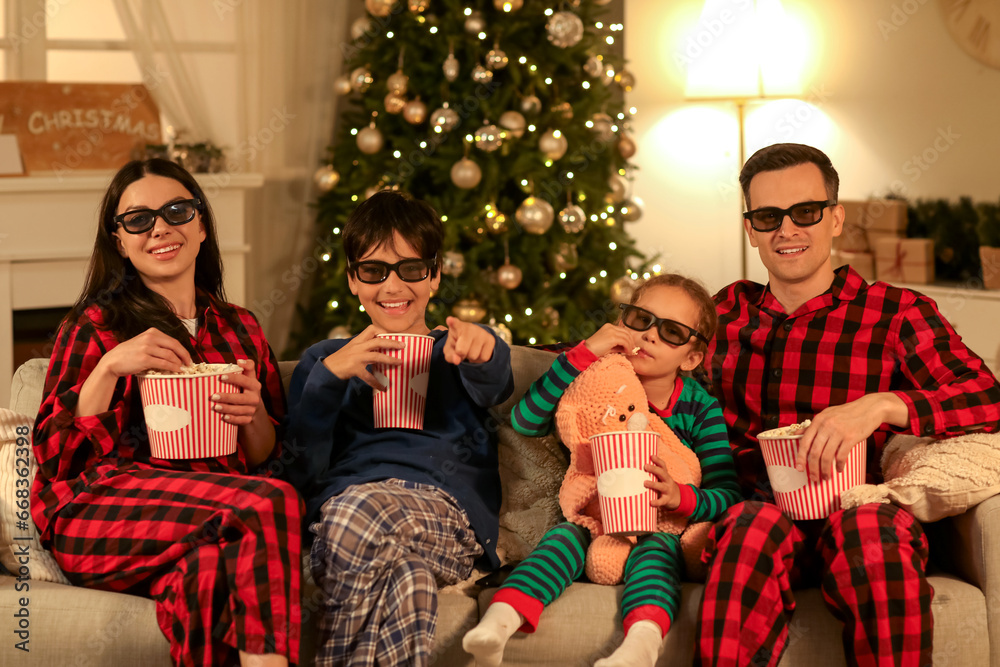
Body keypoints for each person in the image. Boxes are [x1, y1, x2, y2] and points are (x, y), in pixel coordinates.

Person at [698, 142, 1000, 666]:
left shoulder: (896, 312)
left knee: (869, 527)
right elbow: (631, 355)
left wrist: (881, 406)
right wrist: (503, 353)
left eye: (806, 212)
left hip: (858, 512)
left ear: (835, 219)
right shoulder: (722, 312)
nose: (786, 230)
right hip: (755, 513)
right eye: (768, 216)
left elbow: (986, 398)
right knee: (750, 526)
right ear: (751, 229)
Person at [30, 158, 302, 667]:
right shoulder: (95, 324)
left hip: (206, 515)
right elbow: (54, 458)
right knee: (268, 502)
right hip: (97, 511)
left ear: (201, 226)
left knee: (207, 575)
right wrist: (110, 367)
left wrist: (255, 415)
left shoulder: (240, 327)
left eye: (177, 210)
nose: (160, 227)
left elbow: (267, 456)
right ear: (120, 241)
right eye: (138, 219)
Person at [463, 273, 742, 667]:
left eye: (672, 332)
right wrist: (585, 352)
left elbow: (728, 492)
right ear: (623, 320)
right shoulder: (596, 376)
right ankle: (501, 620)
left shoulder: (699, 409)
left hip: (660, 528)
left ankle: (641, 643)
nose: (649, 336)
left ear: (692, 357)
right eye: (641, 319)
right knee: (562, 538)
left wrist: (682, 497)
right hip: (593, 518)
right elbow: (525, 420)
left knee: (657, 553)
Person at [285, 190, 515, 666]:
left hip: (445, 520)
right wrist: (330, 377)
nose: (392, 285)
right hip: (348, 519)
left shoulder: (455, 350)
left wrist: (485, 344)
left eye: (410, 269)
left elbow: (496, 382)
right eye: (373, 270)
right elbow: (300, 471)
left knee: (355, 514)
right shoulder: (324, 360)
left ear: (433, 276)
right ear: (353, 280)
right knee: (408, 583)